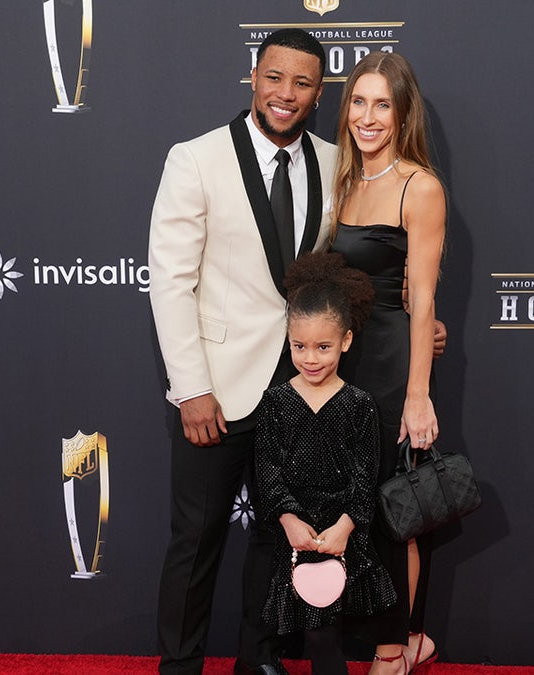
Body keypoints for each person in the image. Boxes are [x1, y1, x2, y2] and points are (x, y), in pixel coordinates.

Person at [148, 29, 334, 675]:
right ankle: (180, 665)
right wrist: (191, 387)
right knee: (195, 539)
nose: (287, 94)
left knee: (276, 535)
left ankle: (260, 659)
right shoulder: (194, 159)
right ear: (254, 78)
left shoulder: (335, 162)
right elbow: (171, 282)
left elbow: (349, 271)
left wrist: (418, 325)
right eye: (275, 77)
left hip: (302, 388)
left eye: (303, 83)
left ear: (317, 93)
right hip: (219, 389)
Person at [328, 52, 446, 674]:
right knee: (356, 503)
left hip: (395, 366)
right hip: (344, 367)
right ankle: (407, 639)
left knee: (393, 506)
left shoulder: (418, 186)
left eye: (383, 104)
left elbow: (423, 297)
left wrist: (418, 393)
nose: (368, 117)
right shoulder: (345, 179)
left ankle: (393, 651)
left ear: (403, 114)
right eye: (358, 101)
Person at [253, 252, 397, 675]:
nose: (310, 358)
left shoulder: (359, 405)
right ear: (288, 340)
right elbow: (268, 471)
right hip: (297, 535)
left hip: (341, 533)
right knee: (317, 631)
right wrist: (289, 521)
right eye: (299, 346)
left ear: (346, 341)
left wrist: (346, 526)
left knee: (329, 628)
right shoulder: (276, 402)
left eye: (323, 347)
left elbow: (365, 474)